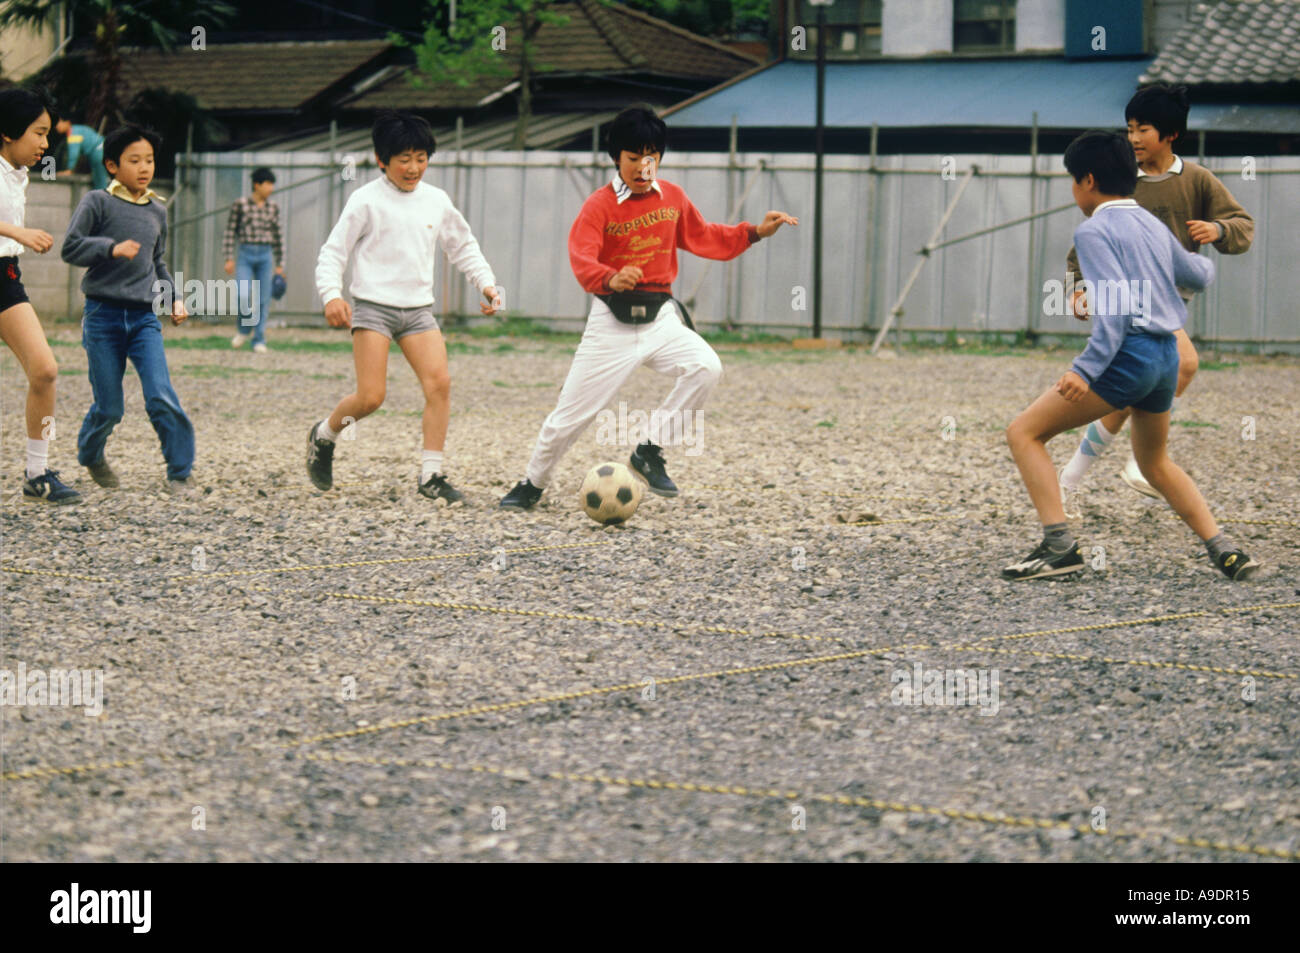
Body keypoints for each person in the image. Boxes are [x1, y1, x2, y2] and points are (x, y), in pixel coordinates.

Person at [498, 104, 797, 510]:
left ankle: (649, 450)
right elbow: (581, 256)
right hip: (611, 321)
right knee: (572, 416)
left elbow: (706, 235)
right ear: (616, 158)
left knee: (706, 366)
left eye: (651, 157)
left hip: (660, 317)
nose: (643, 167)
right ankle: (532, 484)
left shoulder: (672, 197)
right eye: (633, 157)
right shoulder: (598, 206)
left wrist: (755, 232)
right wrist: (609, 277)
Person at [1004, 131, 1258, 582]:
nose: (1073, 190)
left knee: (1023, 433)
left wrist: (1085, 369)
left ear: (1087, 180)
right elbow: (1200, 273)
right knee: (1153, 462)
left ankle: (1059, 547)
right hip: (1166, 356)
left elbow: (1115, 311)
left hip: (1130, 355)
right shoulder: (1150, 224)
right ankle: (1226, 551)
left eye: (1072, 181)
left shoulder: (1094, 230)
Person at [1059, 84, 1253, 514]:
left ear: (1170, 135)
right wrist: (1078, 286)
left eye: (1142, 129)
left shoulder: (1198, 180)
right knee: (1183, 363)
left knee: (1132, 392)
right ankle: (1143, 464)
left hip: (1168, 304)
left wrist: (1218, 231)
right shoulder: (1121, 182)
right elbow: (1085, 245)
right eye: (1128, 128)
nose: (1132, 138)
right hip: (1132, 303)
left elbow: (1241, 224)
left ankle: (1074, 477)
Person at [308, 111, 501, 502]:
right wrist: (331, 294)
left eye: (421, 157)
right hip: (373, 308)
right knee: (370, 398)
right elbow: (334, 252)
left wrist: (487, 283)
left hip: (418, 311)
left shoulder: (437, 201)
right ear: (382, 160)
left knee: (440, 384)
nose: (414, 168)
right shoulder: (365, 201)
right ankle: (324, 435)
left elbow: (462, 246)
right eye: (404, 159)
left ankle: (431, 476)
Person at [61, 125, 196, 495]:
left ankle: (180, 472)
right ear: (111, 165)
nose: (144, 167)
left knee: (160, 394)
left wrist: (173, 299)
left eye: (149, 160)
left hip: (143, 319)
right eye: (134, 160)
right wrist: (110, 248)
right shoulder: (96, 202)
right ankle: (91, 454)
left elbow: (158, 262)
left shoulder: (158, 209)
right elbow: (70, 248)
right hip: (102, 316)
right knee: (109, 408)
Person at [0, 89, 81, 503]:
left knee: (45, 370)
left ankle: (38, 472)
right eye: (39, 133)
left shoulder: (19, 170)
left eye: (48, 134)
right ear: (8, 132)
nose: (46, 144)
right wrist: (16, 231)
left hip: (5, 277)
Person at [222, 166, 284, 352]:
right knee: (243, 294)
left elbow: (278, 236)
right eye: (268, 184)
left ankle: (258, 339)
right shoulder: (240, 204)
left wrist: (280, 263)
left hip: (265, 256)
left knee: (263, 298)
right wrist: (228, 257)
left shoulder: (273, 207)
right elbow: (230, 231)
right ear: (257, 185)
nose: (271, 188)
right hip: (245, 255)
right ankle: (243, 329)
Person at [54, 117, 109, 190]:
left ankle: (103, 200)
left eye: (58, 123)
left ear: (67, 122)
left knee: (100, 182)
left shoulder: (74, 134)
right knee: (100, 180)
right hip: (101, 149)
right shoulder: (78, 129)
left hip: (98, 152)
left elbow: (74, 153)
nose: (56, 126)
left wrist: (69, 170)